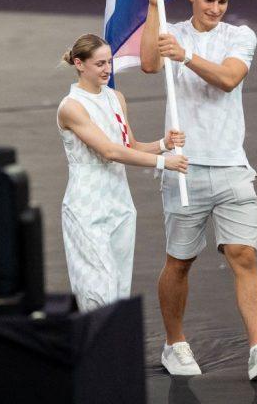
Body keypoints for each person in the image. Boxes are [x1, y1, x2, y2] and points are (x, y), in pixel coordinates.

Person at [141, 0, 257, 381]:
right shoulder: (172, 30)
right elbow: (151, 64)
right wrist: (153, 2)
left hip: (231, 166)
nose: (215, 8)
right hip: (183, 165)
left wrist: (186, 55)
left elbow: (228, 79)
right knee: (180, 262)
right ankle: (175, 345)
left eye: (222, 2)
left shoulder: (240, 36)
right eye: (208, 0)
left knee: (243, 254)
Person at [56, 33, 188, 311]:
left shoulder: (117, 98)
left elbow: (129, 146)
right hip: (86, 205)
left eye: (110, 62)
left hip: (120, 202)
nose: (107, 69)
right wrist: (165, 163)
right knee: (96, 289)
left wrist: (163, 145)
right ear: (79, 64)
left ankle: (112, 351)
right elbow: (109, 151)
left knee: (117, 288)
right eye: (100, 64)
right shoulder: (72, 107)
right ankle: (94, 350)